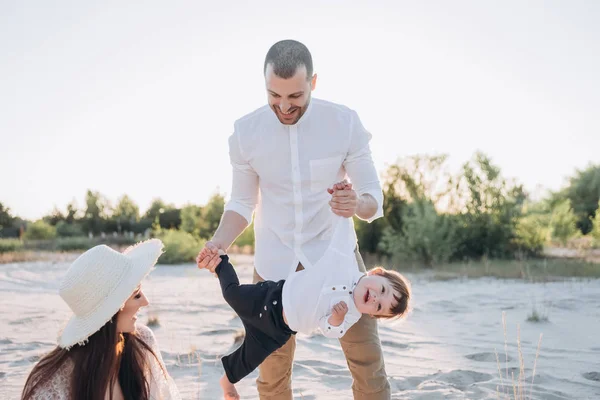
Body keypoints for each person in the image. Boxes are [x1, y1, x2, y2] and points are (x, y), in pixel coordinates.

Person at [197, 39, 390, 399]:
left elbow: (373, 198)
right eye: (274, 96)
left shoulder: (344, 123)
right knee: (271, 375)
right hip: (274, 263)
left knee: (368, 365)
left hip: (337, 259)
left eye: (295, 97)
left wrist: (355, 202)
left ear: (313, 83)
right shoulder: (245, 133)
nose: (284, 107)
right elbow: (241, 203)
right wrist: (217, 244)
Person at [197, 211, 411, 400]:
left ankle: (227, 381)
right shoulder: (344, 263)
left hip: (279, 331)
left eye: (380, 307)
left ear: (373, 315)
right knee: (232, 294)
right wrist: (345, 211)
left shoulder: (352, 315)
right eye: (382, 290)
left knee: (251, 356)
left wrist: (335, 321)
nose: (375, 299)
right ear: (376, 273)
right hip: (271, 297)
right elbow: (344, 236)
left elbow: (329, 329)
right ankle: (221, 261)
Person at [21, 239, 181, 400]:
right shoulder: (51, 382)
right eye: (136, 295)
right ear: (112, 310)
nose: (146, 302)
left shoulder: (142, 342)